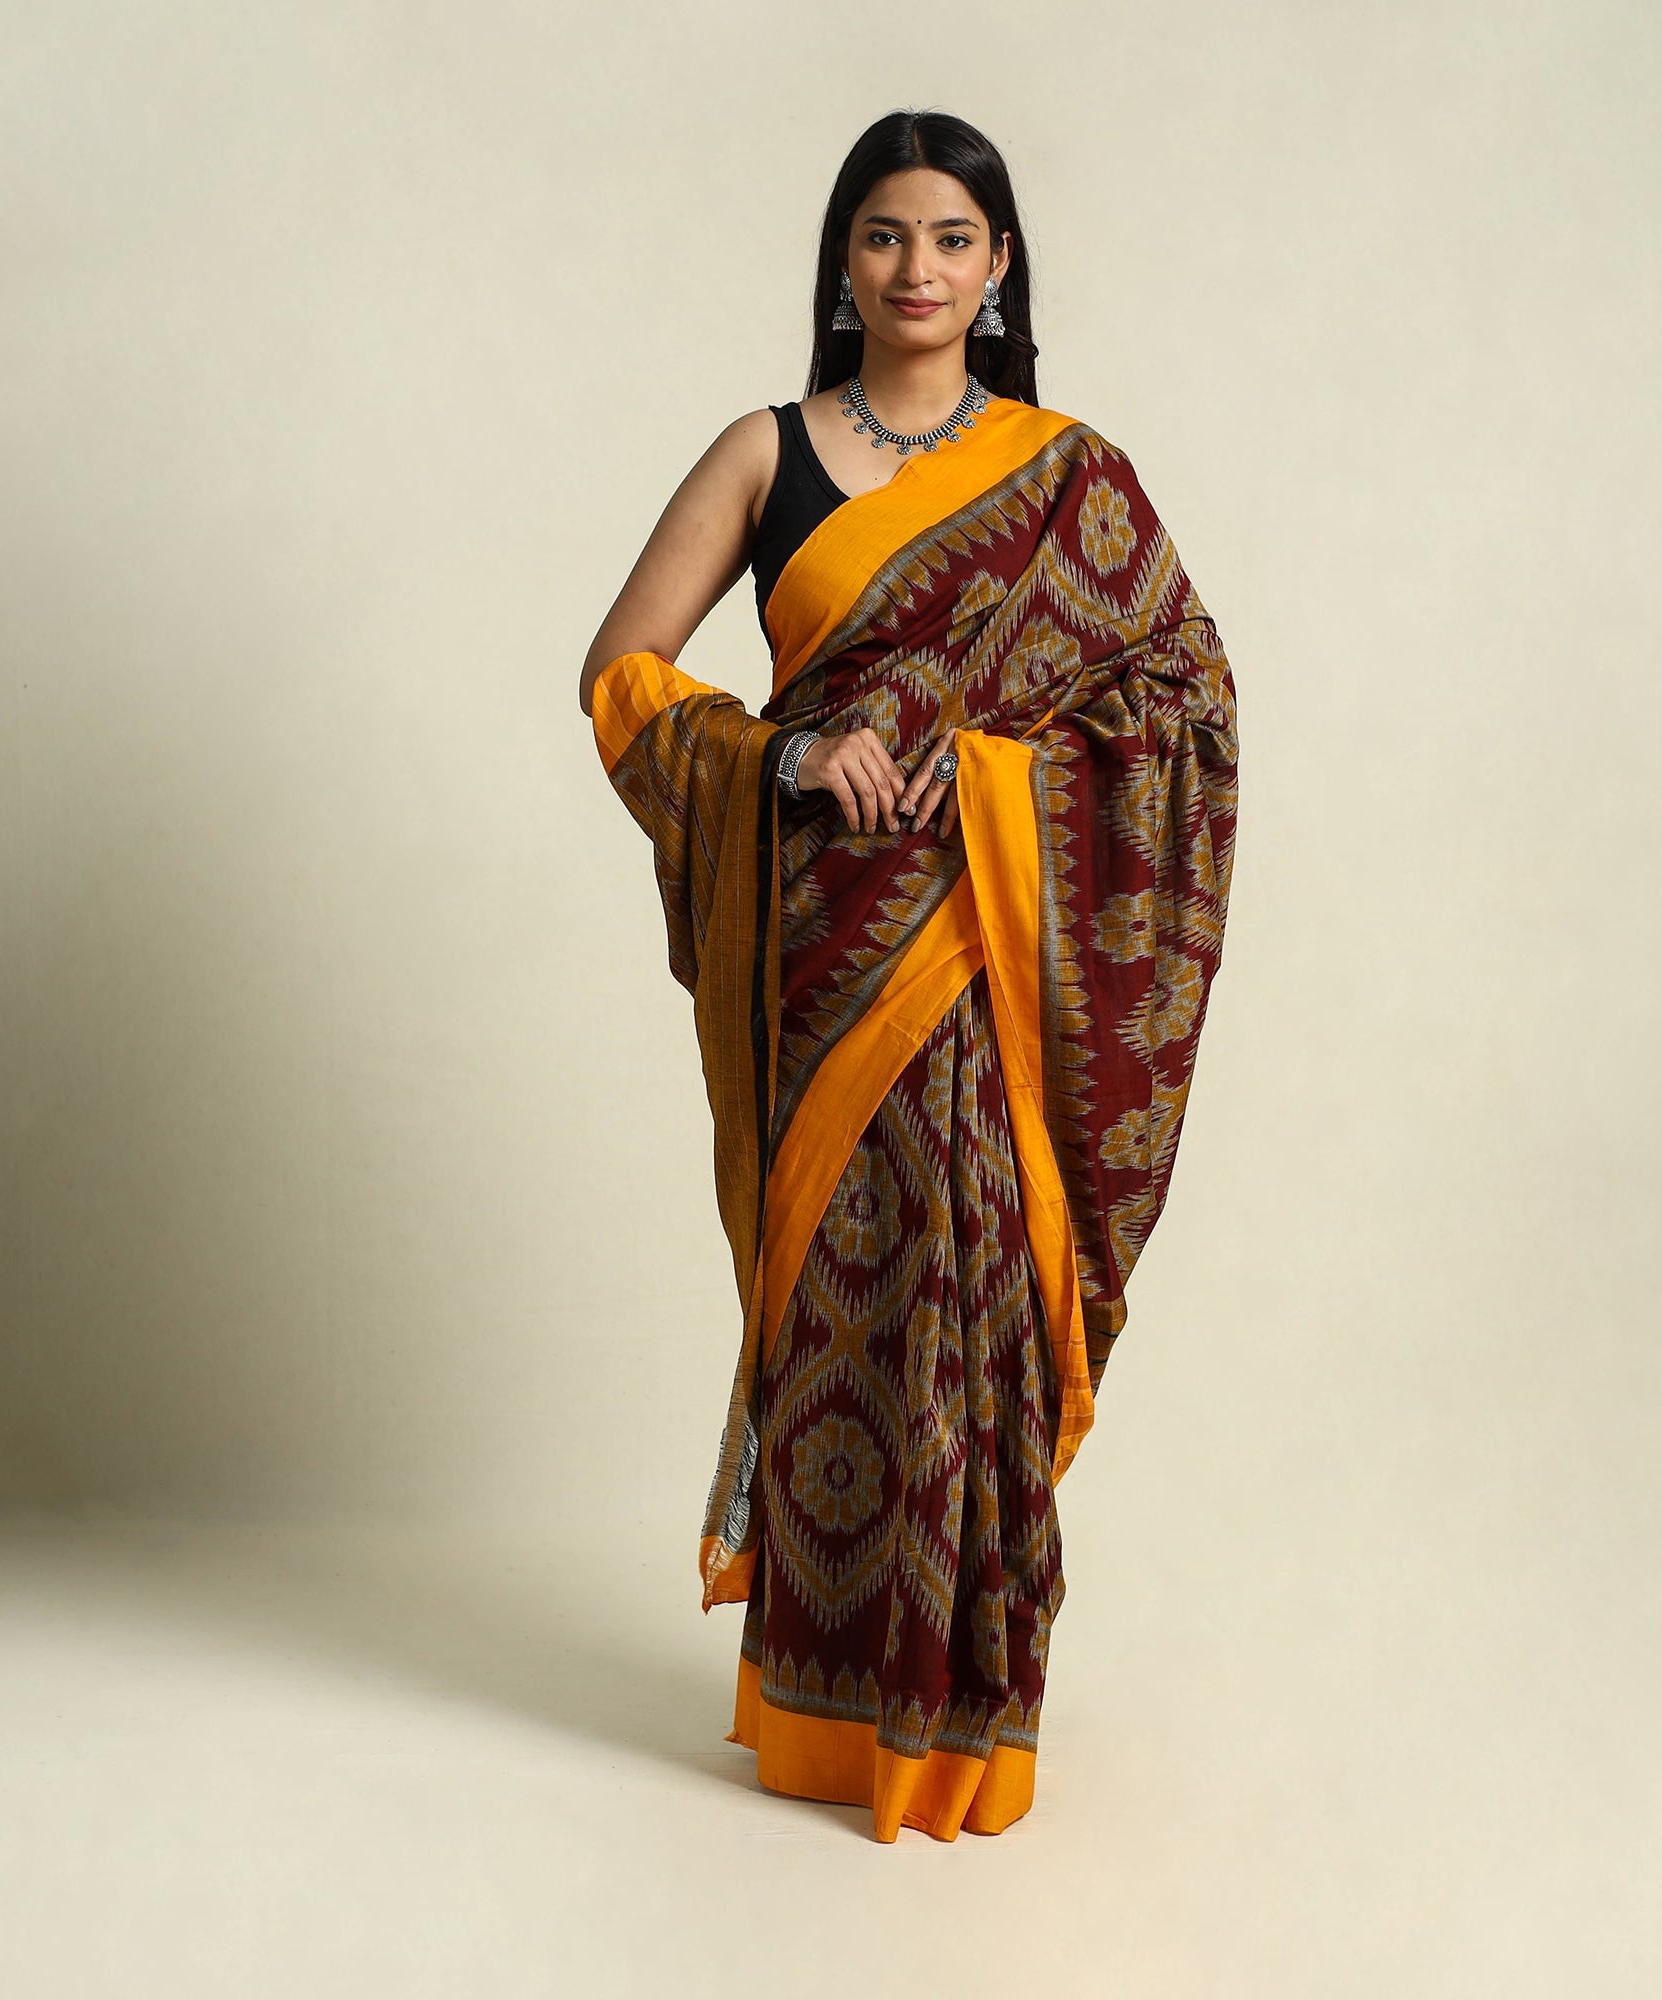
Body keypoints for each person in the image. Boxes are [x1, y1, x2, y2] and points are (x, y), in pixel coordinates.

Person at [579, 108, 1238, 1843]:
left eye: (952, 238)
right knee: (850, 1306)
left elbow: (1184, 710)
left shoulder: (1072, 476)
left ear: (1000, 264)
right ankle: (817, 1713)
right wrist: (786, 758)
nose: (918, 269)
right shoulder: (763, 454)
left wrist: (1000, 778)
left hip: (994, 952)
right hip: (827, 954)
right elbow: (623, 674)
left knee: (980, 1304)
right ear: (843, 260)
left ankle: (959, 1723)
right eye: (885, 236)